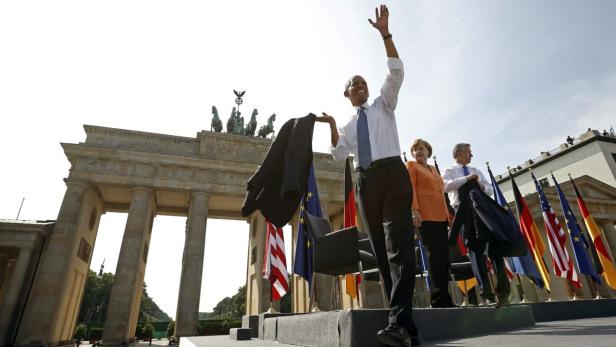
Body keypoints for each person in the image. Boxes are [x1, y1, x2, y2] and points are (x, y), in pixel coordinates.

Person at [316, 5, 419, 346]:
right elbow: (337, 154)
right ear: (346, 95)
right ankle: (404, 326)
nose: (359, 85)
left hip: (392, 175)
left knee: (398, 247)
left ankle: (399, 322)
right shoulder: (347, 125)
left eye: (362, 82)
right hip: (365, 182)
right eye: (353, 84)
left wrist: (385, 34)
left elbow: (397, 71)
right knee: (380, 250)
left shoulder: (383, 105)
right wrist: (331, 126)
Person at [442, 143, 511, 305]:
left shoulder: (477, 171)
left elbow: (489, 190)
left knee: (495, 250)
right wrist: (467, 179)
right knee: (475, 251)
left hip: (484, 212)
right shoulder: (449, 171)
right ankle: (486, 292)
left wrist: (477, 183)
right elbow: (445, 187)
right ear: (458, 154)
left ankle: (503, 293)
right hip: (464, 213)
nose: (471, 155)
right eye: (468, 152)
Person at [406, 139, 455, 308]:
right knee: (434, 257)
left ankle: (445, 298)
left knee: (443, 258)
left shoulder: (434, 169)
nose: (418, 151)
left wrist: (448, 216)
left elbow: (442, 194)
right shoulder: (411, 166)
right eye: (415, 149)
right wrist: (414, 210)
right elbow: (410, 188)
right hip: (425, 216)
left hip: (441, 216)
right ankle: (437, 300)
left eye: (422, 148)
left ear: (428, 151)